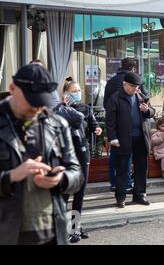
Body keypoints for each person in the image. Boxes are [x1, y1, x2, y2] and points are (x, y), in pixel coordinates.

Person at [0, 64, 83, 245]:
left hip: (52, 233)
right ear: (13, 89)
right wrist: (11, 176)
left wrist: (61, 179)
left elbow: (76, 172)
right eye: (32, 100)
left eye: (42, 102)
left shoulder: (57, 124)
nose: (37, 108)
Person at [54, 77, 102, 243]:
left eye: (79, 91)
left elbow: (92, 124)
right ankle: (62, 229)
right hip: (66, 155)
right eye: (74, 91)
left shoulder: (86, 108)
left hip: (83, 152)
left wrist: (97, 129)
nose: (78, 94)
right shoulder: (59, 109)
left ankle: (75, 227)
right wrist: (65, 107)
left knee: (80, 193)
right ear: (66, 93)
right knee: (66, 192)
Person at [105, 72, 155, 208]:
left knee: (141, 167)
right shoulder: (115, 98)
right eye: (133, 86)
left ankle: (140, 195)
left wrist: (147, 111)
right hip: (123, 139)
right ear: (124, 84)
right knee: (122, 168)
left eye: (137, 87)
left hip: (141, 137)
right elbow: (109, 122)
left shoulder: (141, 97)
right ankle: (120, 198)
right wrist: (113, 138)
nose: (135, 89)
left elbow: (152, 112)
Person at [103, 57, 146, 193]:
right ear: (133, 68)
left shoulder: (111, 82)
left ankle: (115, 183)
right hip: (130, 131)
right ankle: (126, 186)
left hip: (117, 129)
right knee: (130, 160)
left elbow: (106, 103)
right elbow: (146, 99)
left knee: (117, 158)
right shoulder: (137, 81)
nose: (135, 88)